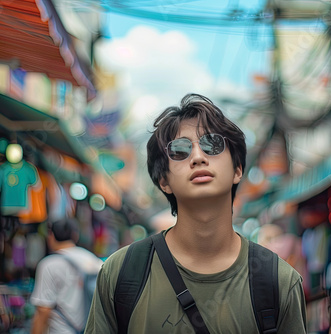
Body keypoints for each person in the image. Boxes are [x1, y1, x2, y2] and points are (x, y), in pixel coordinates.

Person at [85, 93, 307, 333]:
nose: (198, 157)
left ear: (237, 170)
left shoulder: (278, 281)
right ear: (163, 181)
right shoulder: (121, 274)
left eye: (212, 144)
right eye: (180, 150)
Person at [30, 218, 103, 334]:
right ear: (75, 236)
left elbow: (43, 310)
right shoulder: (94, 261)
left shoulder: (49, 264)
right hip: (90, 330)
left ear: (51, 236)